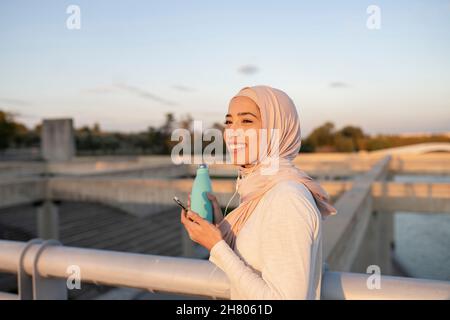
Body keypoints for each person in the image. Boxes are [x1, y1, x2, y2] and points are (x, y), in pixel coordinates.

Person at [180, 85, 337, 299]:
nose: (233, 133)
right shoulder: (261, 191)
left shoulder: (287, 198)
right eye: (229, 122)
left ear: (276, 131)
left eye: (246, 121)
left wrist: (216, 246)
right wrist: (222, 232)